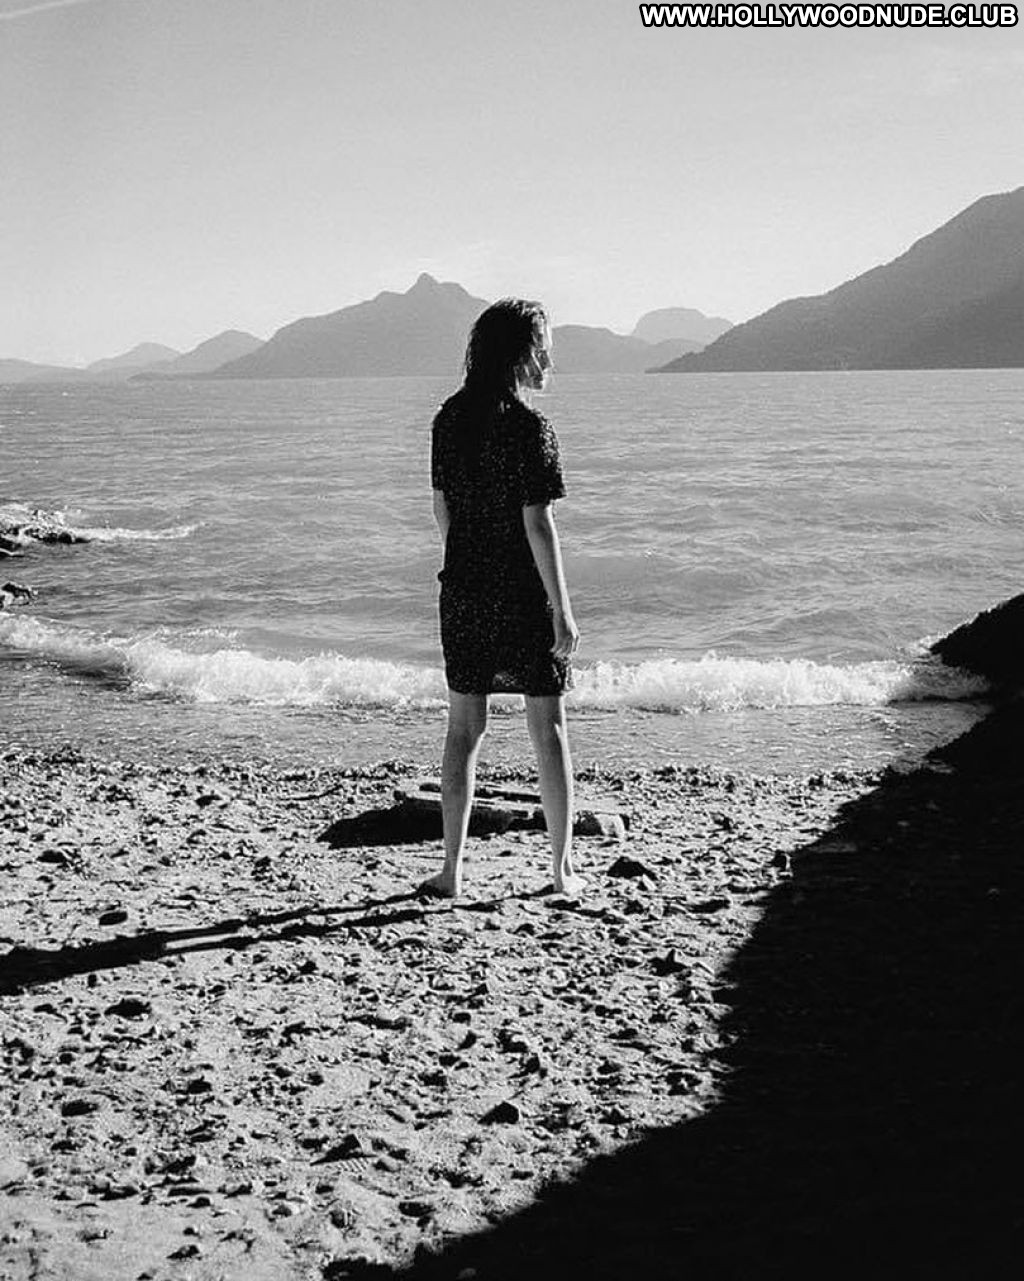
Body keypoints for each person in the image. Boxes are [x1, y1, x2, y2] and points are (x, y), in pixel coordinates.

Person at [421, 298, 582, 899]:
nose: (549, 361)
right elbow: (537, 524)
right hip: (522, 595)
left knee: (464, 729)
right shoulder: (529, 429)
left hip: (463, 589)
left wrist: (467, 562)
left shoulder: (448, 419)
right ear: (519, 354)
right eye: (543, 349)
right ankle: (561, 870)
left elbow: (442, 509)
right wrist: (562, 609)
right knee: (549, 729)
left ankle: (451, 871)